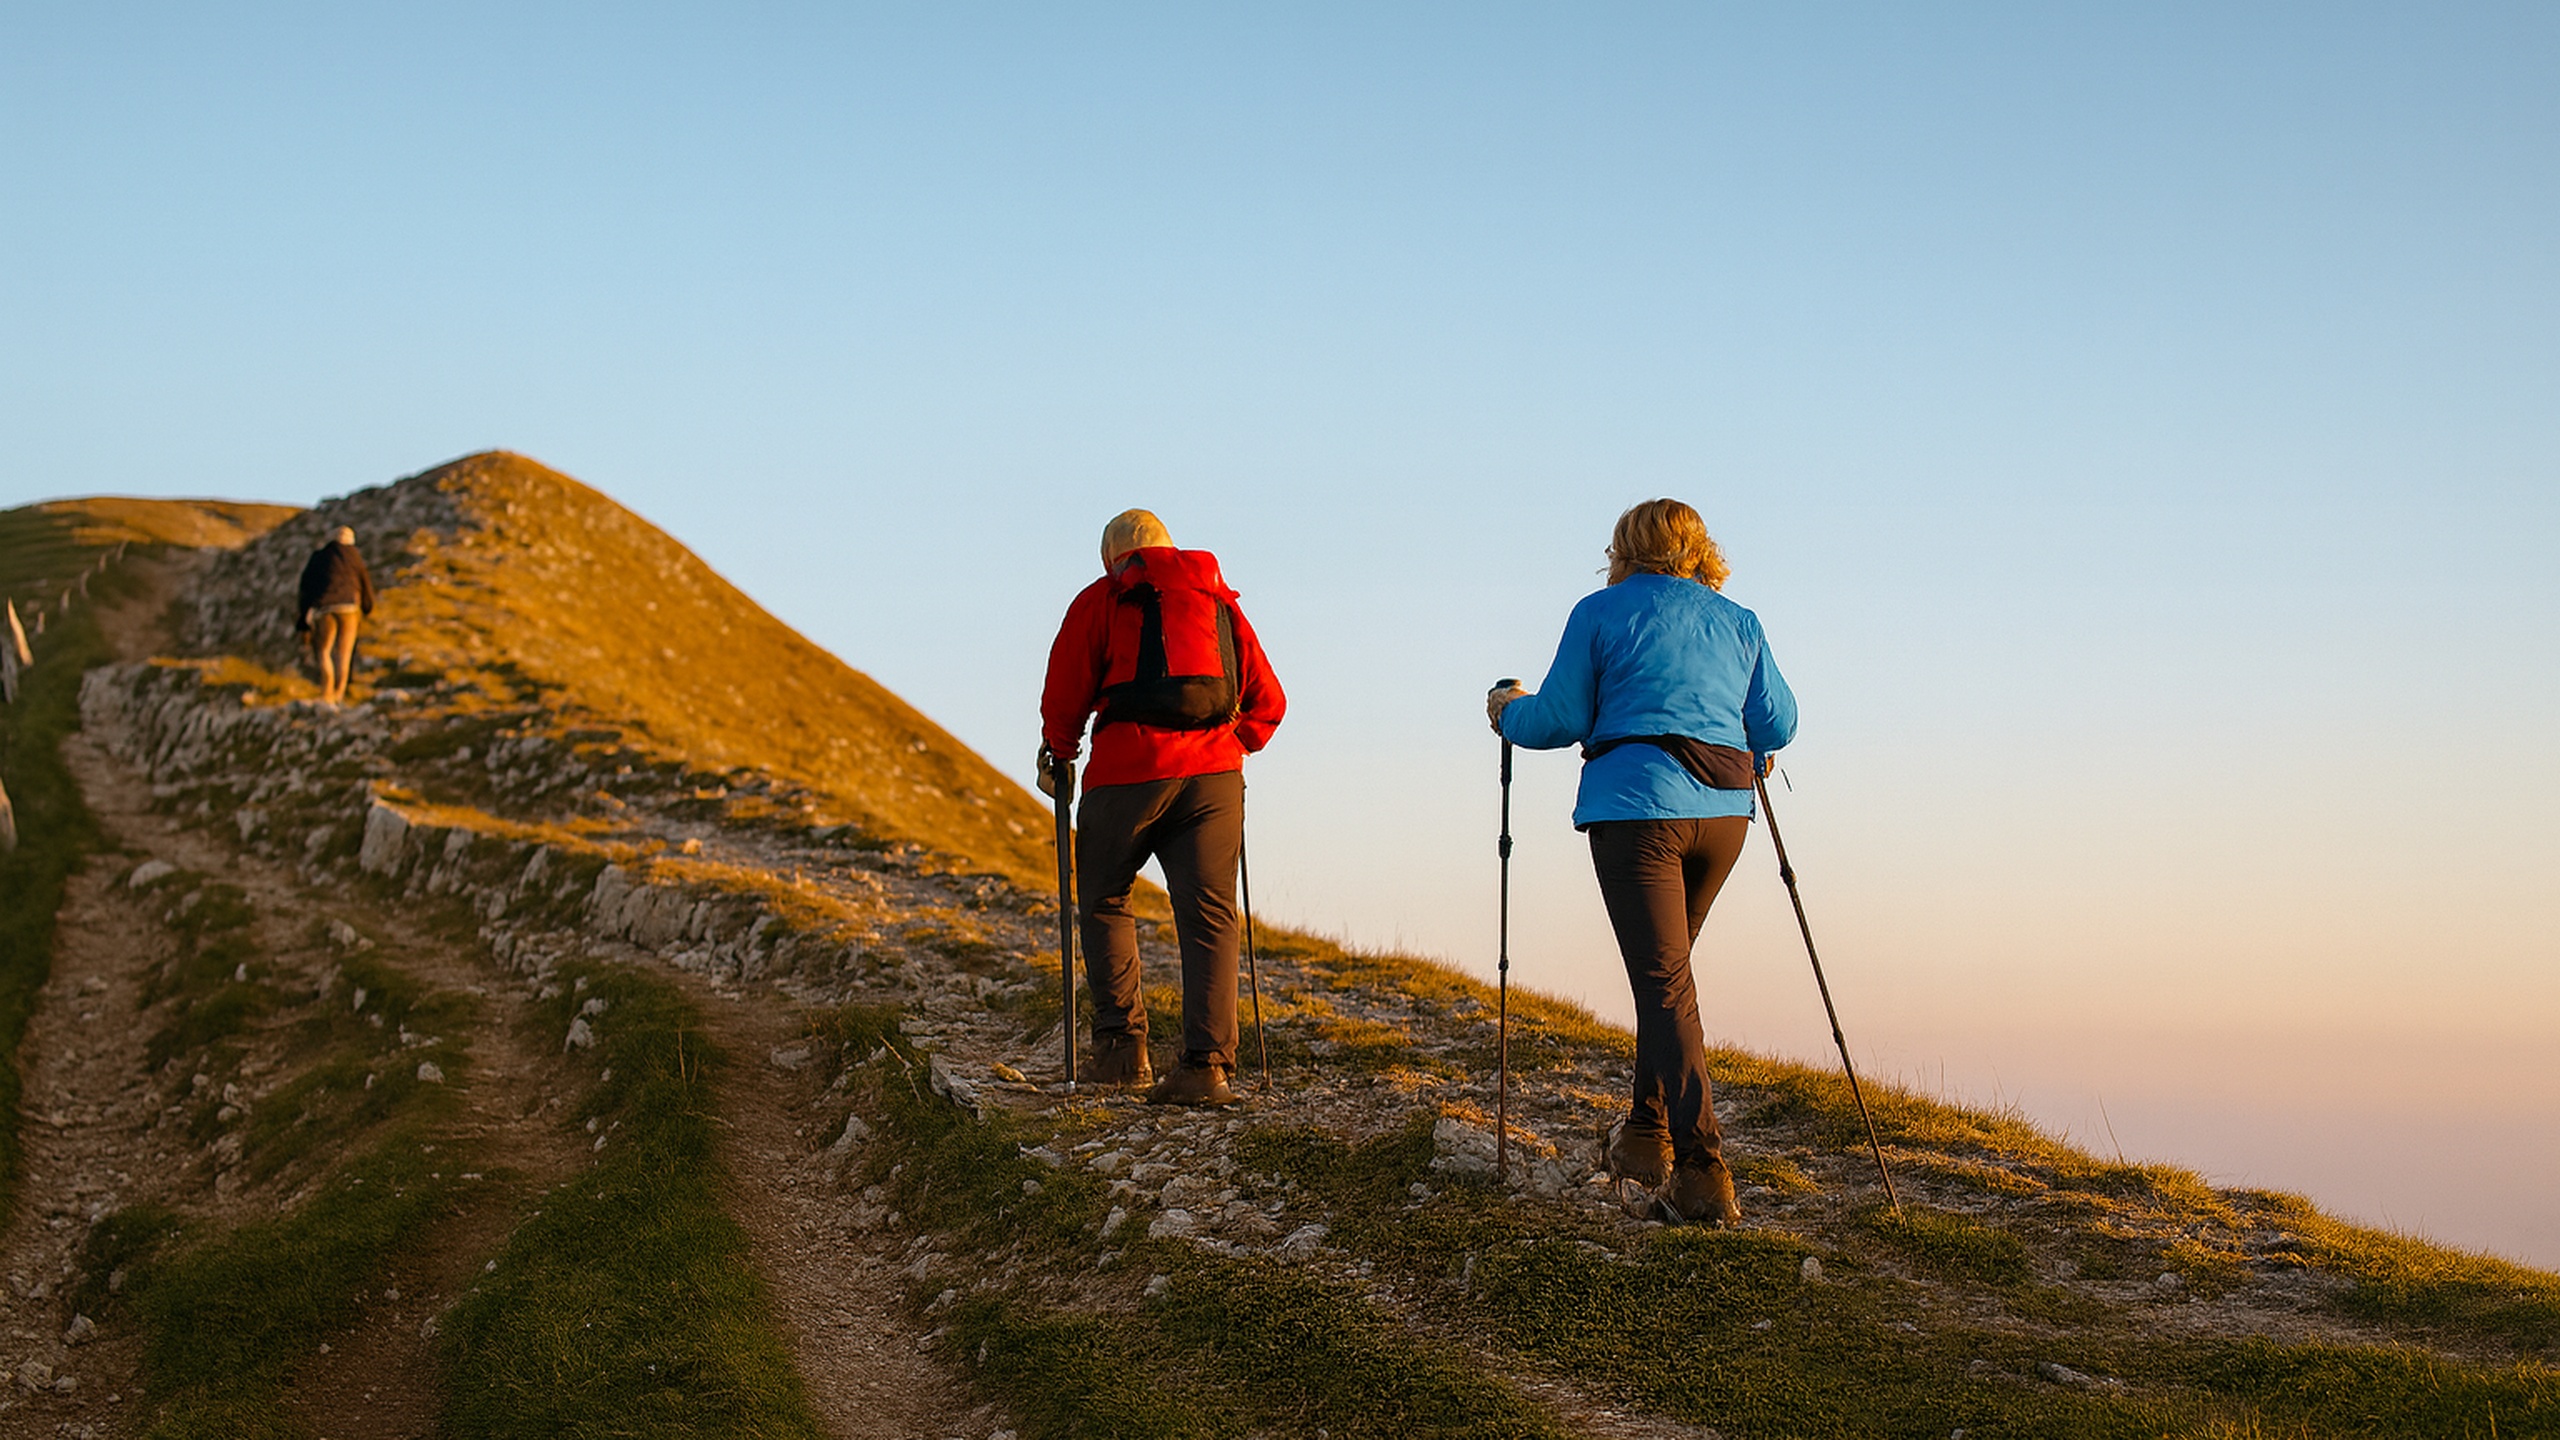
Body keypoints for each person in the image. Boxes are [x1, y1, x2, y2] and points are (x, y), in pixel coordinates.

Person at [1487, 498, 1796, 1226]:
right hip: (1723, 818)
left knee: (1664, 985)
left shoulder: (1602, 612)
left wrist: (1505, 708)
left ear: (1623, 548)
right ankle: (1644, 1136)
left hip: (1637, 815)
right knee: (1669, 978)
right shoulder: (1738, 621)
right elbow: (1777, 721)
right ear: (1698, 550)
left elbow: (1557, 719)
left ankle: (1702, 1172)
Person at [1040, 510, 1285, 1106]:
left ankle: (1123, 1053)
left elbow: (1065, 691)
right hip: (1214, 782)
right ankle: (1206, 1068)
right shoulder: (1219, 603)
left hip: (1127, 776)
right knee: (1209, 915)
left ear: (1113, 560)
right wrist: (1232, 744)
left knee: (1103, 898)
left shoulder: (1102, 599)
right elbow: (1269, 701)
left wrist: (1061, 754)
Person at [295, 526, 376, 708]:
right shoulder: (355, 557)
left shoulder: (319, 557)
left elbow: (305, 586)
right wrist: (367, 607)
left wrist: (304, 614)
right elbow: (365, 583)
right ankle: (340, 693)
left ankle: (327, 691)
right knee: (344, 653)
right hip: (349, 609)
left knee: (324, 651)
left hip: (325, 609)